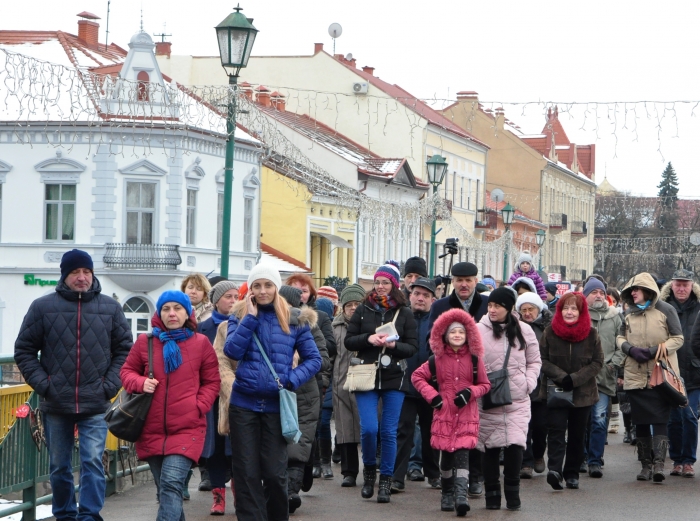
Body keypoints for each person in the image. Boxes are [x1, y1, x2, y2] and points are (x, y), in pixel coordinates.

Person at [14, 249, 132, 521]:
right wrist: (45, 385)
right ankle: (65, 515)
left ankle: (89, 515)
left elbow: (125, 350)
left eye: (86, 272)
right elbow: (24, 350)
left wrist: (109, 385)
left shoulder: (110, 307)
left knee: (92, 461)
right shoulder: (42, 307)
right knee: (59, 466)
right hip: (56, 402)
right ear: (64, 276)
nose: (81, 277)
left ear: (92, 274)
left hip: (95, 401)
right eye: (75, 272)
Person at [224, 264, 322, 521]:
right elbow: (232, 351)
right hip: (243, 404)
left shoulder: (294, 318)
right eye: (257, 285)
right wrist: (251, 318)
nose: (263, 290)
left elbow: (314, 359)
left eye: (268, 285)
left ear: (276, 287)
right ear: (251, 289)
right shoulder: (239, 315)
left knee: (275, 474)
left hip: (275, 407)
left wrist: (290, 380)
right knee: (246, 474)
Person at [120, 290, 220, 521]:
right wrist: (141, 382)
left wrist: (199, 405)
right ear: (159, 313)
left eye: (177, 308)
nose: (172, 313)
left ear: (188, 313)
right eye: (166, 309)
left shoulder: (201, 343)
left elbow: (212, 381)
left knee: (171, 483)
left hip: (187, 428)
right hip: (150, 429)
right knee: (166, 490)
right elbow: (125, 372)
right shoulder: (145, 342)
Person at [345, 261, 418, 503]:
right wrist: (370, 339)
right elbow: (349, 341)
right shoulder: (364, 309)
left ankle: (386, 481)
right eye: (377, 282)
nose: (380, 287)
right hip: (366, 375)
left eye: (385, 282)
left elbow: (413, 347)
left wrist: (394, 345)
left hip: (394, 377)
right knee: (369, 429)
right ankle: (368, 473)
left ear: (394, 285)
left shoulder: (405, 313)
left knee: (388, 431)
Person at [412, 309, 490, 516]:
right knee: (446, 458)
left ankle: (460, 496)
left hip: (466, 415)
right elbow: (417, 377)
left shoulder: (474, 360)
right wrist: (433, 397)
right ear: (445, 335)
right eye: (453, 332)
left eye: (461, 333)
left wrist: (470, 392)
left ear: (468, 336)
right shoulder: (436, 359)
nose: (457, 335)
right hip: (444, 414)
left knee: (463, 455)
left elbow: (484, 384)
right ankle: (446, 493)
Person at [427, 261, 488, 497]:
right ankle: (449, 481)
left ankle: (476, 477)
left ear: (475, 281)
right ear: (453, 282)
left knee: (475, 430)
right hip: (449, 377)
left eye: (468, 280)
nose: (464, 284)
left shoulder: (486, 305)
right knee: (449, 431)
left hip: (478, 375)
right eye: (459, 280)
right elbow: (430, 340)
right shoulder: (441, 305)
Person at [476, 288, 541, 510]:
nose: (492, 310)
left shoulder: (524, 330)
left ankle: (513, 494)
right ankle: (492, 495)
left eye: (498, 306)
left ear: (509, 308)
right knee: (490, 447)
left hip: (517, 399)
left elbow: (534, 361)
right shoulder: (477, 330)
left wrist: (528, 383)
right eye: (490, 305)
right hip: (488, 398)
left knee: (516, 445)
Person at [616, 273, 685, 484]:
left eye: (636, 290)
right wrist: (629, 348)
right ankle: (645, 465)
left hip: (660, 375)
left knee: (660, 420)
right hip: (635, 374)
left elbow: (678, 338)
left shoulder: (666, 310)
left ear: (647, 290)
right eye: (630, 291)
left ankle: (659, 466)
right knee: (641, 421)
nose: (632, 293)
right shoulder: (629, 313)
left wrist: (657, 350)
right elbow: (619, 337)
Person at [540, 292, 603, 490]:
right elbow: (542, 359)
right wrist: (561, 377)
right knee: (556, 431)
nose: (569, 312)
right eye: (565, 308)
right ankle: (555, 470)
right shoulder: (549, 332)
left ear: (581, 311)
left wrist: (575, 379)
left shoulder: (591, 333)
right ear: (559, 310)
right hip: (555, 391)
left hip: (583, 393)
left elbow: (597, 362)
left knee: (577, 434)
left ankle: (572, 473)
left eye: (574, 308)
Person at [277, 286, 329, 513]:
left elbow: (322, 359)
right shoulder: (267, 323)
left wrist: (297, 366)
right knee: (278, 443)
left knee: (299, 444)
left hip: (305, 393)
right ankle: (297, 477)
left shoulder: (307, 325)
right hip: (275, 392)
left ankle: (290, 493)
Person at [392, 277, 440, 492]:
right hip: (405, 384)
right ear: (410, 295)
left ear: (433, 299)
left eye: (426, 295)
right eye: (417, 294)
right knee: (403, 431)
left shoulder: (438, 321)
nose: (421, 299)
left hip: (431, 387)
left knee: (432, 432)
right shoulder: (400, 317)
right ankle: (397, 477)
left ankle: (434, 474)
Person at [198, 280, 238, 514]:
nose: (233, 301)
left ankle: (237, 492)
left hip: (236, 394)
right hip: (212, 397)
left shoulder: (243, 323)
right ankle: (217, 496)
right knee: (215, 448)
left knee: (237, 448)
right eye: (228, 297)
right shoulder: (203, 328)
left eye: (236, 296)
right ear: (215, 301)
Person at [660, 270, 700, 478]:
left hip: (694, 373)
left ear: (692, 286)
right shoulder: (664, 307)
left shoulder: (699, 307)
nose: (682, 288)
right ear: (672, 286)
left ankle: (688, 460)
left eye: (686, 284)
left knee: (690, 416)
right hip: (671, 372)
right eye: (678, 284)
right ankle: (676, 459)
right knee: (674, 419)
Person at [583, 278, 624, 479]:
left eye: (601, 292)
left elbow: (621, 345)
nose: (598, 295)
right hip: (581, 378)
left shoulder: (615, 316)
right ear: (586, 296)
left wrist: (612, 364)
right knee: (581, 420)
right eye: (594, 292)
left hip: (605, 378)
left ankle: (595, 461)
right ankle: (581, 457)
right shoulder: (578, 315)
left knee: (599, 421)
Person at [515, 292, 552, 479]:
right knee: (524, 426)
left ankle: (538, 454)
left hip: (543, 382)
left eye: (531, 309)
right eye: (524, 310)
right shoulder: (515, 328)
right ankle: (526, 462)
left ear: (539, 309)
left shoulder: (548, 328)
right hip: (520, 383)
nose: (528, 313)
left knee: (540, 426)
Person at [332, 284, 366, 487]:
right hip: (342, 384)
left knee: (369, 428)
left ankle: (370, 466)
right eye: (349, 305)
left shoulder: (371, 325)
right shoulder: (335, 328)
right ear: (343, 308)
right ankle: (349, 472)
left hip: (366, 383)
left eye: (357, 304)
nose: (353, 308)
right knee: (345, 430)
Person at [314, 297, 337, 480]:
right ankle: (315, 462)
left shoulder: (324, 324)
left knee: (323, 422)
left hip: (327, 380)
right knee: (314, 424)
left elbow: (331, 351)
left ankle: (325, 462)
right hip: (316, 379)